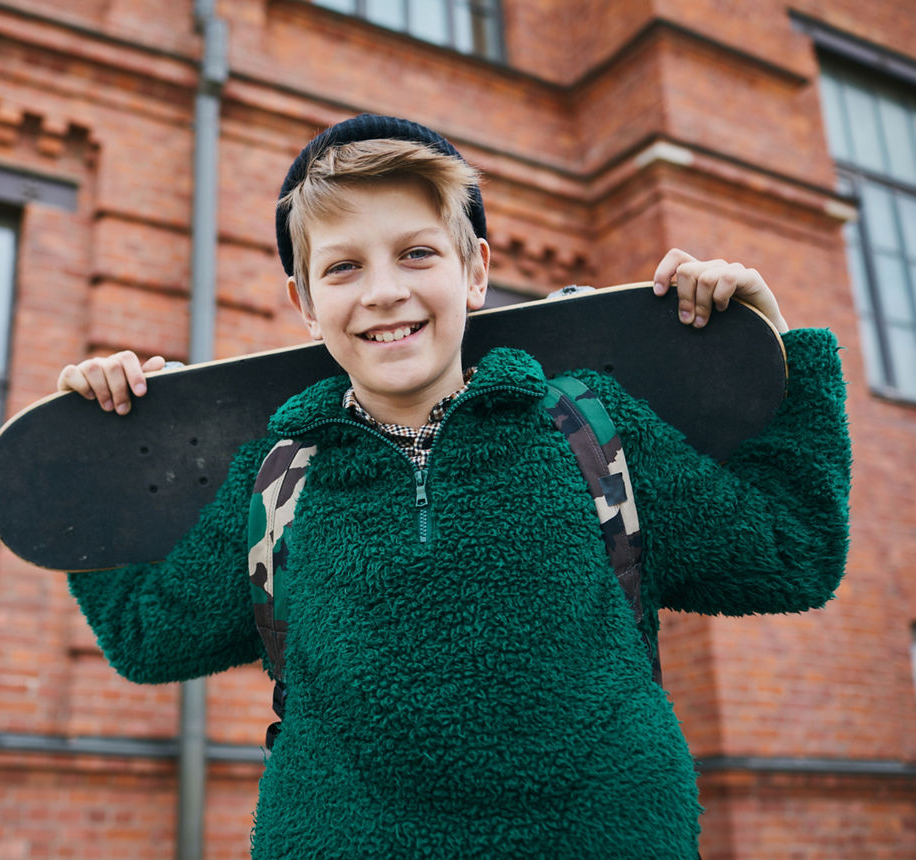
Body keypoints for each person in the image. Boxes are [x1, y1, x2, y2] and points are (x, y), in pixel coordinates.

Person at [56, 115, 850, 859]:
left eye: (417, 254)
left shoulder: (588, 427)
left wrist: (783, 350)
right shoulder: (279, 474)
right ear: (305, 304)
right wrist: (102, 466)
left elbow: (792, 552)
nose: (383, 291)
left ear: (474, 272)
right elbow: (149, 637)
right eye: (342, 267)